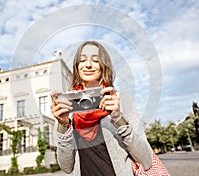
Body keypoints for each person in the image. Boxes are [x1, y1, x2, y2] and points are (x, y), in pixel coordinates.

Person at [51, 41, 153, 176]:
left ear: (103, 66)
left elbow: (146, 159)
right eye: (82, 61)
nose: (88, 65)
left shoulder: (120, 102)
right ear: (77, 67)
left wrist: (118, 118)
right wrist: (63, 125)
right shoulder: (67, 108)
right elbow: (66, 167)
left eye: (95, 60)